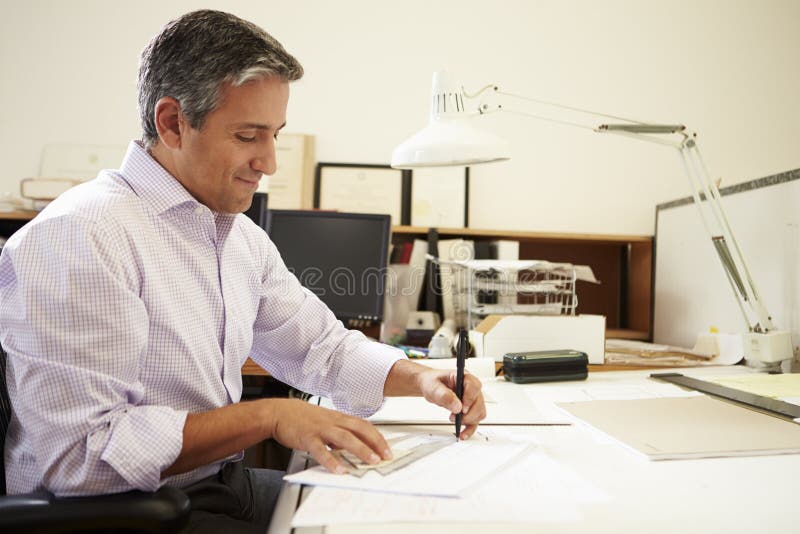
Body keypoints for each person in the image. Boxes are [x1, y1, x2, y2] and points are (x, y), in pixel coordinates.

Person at [0, 9, 486, 533]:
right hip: (126, 515)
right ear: (171, 123)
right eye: (249, 135)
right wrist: (268, 417)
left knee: (411, 513)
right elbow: (81, 459)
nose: (270, 162)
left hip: (213, 488)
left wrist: (419, 377)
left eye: (275, 133)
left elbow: (320, 347)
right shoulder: (82, 236)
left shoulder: (233, 234)